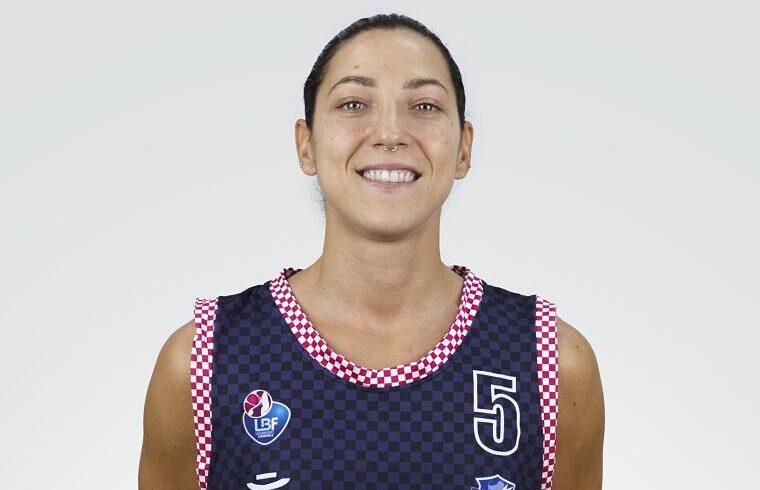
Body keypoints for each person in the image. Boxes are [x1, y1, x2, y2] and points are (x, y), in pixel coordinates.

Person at [139, 13, 604, 490]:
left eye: (424, 106)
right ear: (306, 144)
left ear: (463, 148)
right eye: (353, 103)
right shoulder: (204, 362)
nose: (390, 133)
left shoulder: (549, 363)